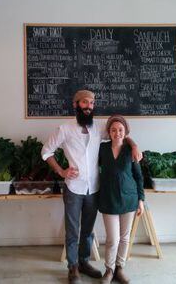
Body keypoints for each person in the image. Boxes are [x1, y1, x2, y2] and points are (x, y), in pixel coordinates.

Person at [41, 90, 142, 284]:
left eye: (92, 103)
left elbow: (119, 133)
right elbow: (46, 152)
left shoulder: (98, 127)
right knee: (73, 230)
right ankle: (73, 268)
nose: (89, 106)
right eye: (85, 102)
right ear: (76, 104)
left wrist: (134, 145)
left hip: (94, 188)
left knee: (88, 229)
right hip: (73, 188)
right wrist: (61, 171)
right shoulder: (64, 129)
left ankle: (84, 262)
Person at [99, 115, 145, 284]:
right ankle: (109, 270)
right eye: (113, 130)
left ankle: (120, 268)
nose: (117, 133)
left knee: (125, 238)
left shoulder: (130, 150)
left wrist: (141, 199)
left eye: (120, 130)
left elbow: (139, 177)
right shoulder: (102, 149)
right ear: (109, 132)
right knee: (113, 239)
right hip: (108, 198)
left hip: (129, 199)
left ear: (125, 132)